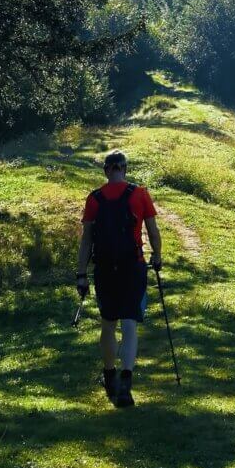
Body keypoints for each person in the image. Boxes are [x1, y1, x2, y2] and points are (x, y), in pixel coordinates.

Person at [76, 149, 162, 407]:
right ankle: (126, 383)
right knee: (129, 324)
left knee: (108, 324)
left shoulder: (94, 199)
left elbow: (86, 241)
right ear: (124, 168)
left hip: (105, 269)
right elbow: (153, 231)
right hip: (132, 266)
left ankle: (109, 375)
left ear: (106, 170)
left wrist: (81, 274)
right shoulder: (140, 194)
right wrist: (157, 256)